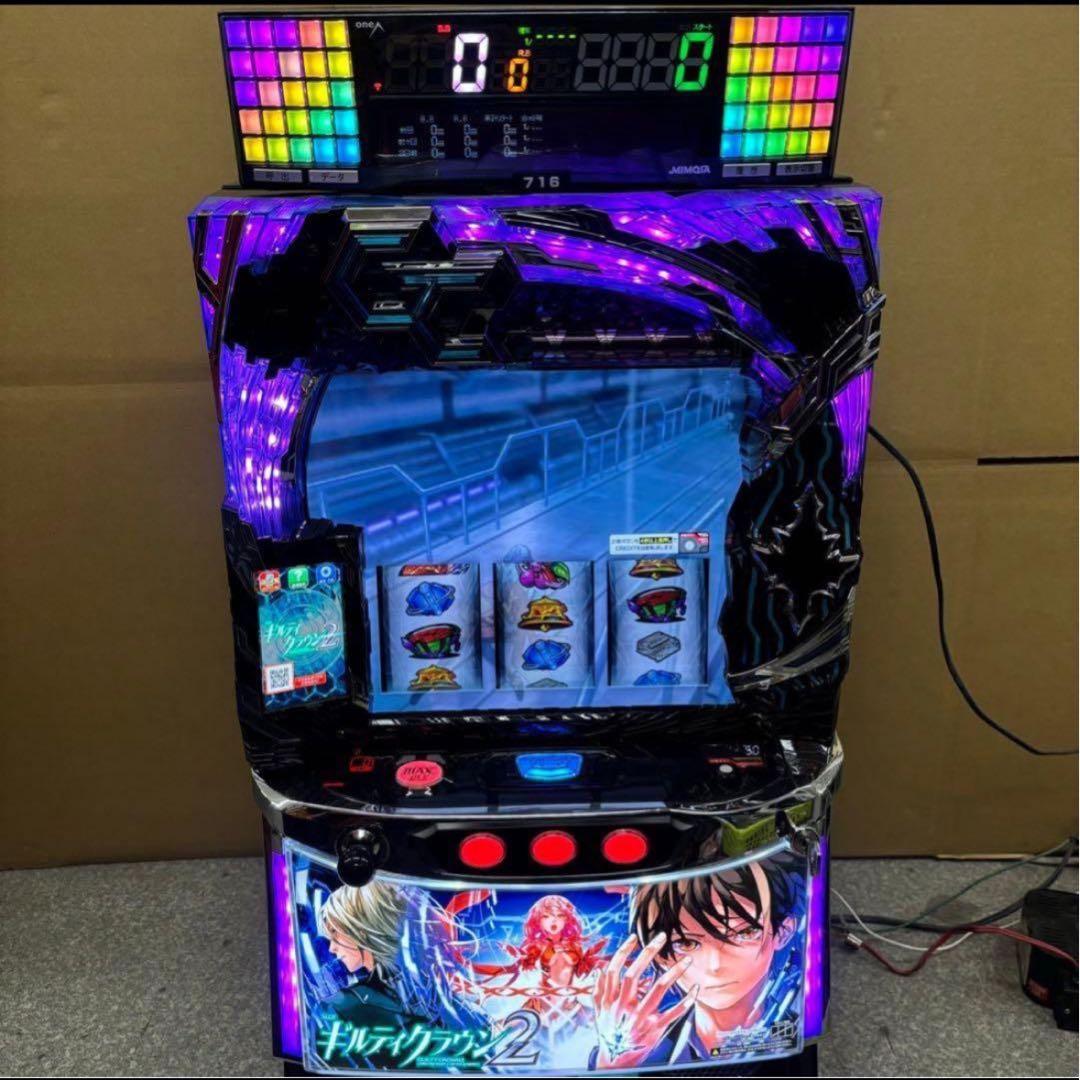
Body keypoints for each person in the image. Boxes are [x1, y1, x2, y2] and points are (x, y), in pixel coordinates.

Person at [591, 855, 805, 1069]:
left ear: (783, 932)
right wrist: (611, 1066)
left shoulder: (800, 1029)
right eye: (686, 943)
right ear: (659, 955)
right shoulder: (647, 1053)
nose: (715, 964)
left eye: (744, 933)